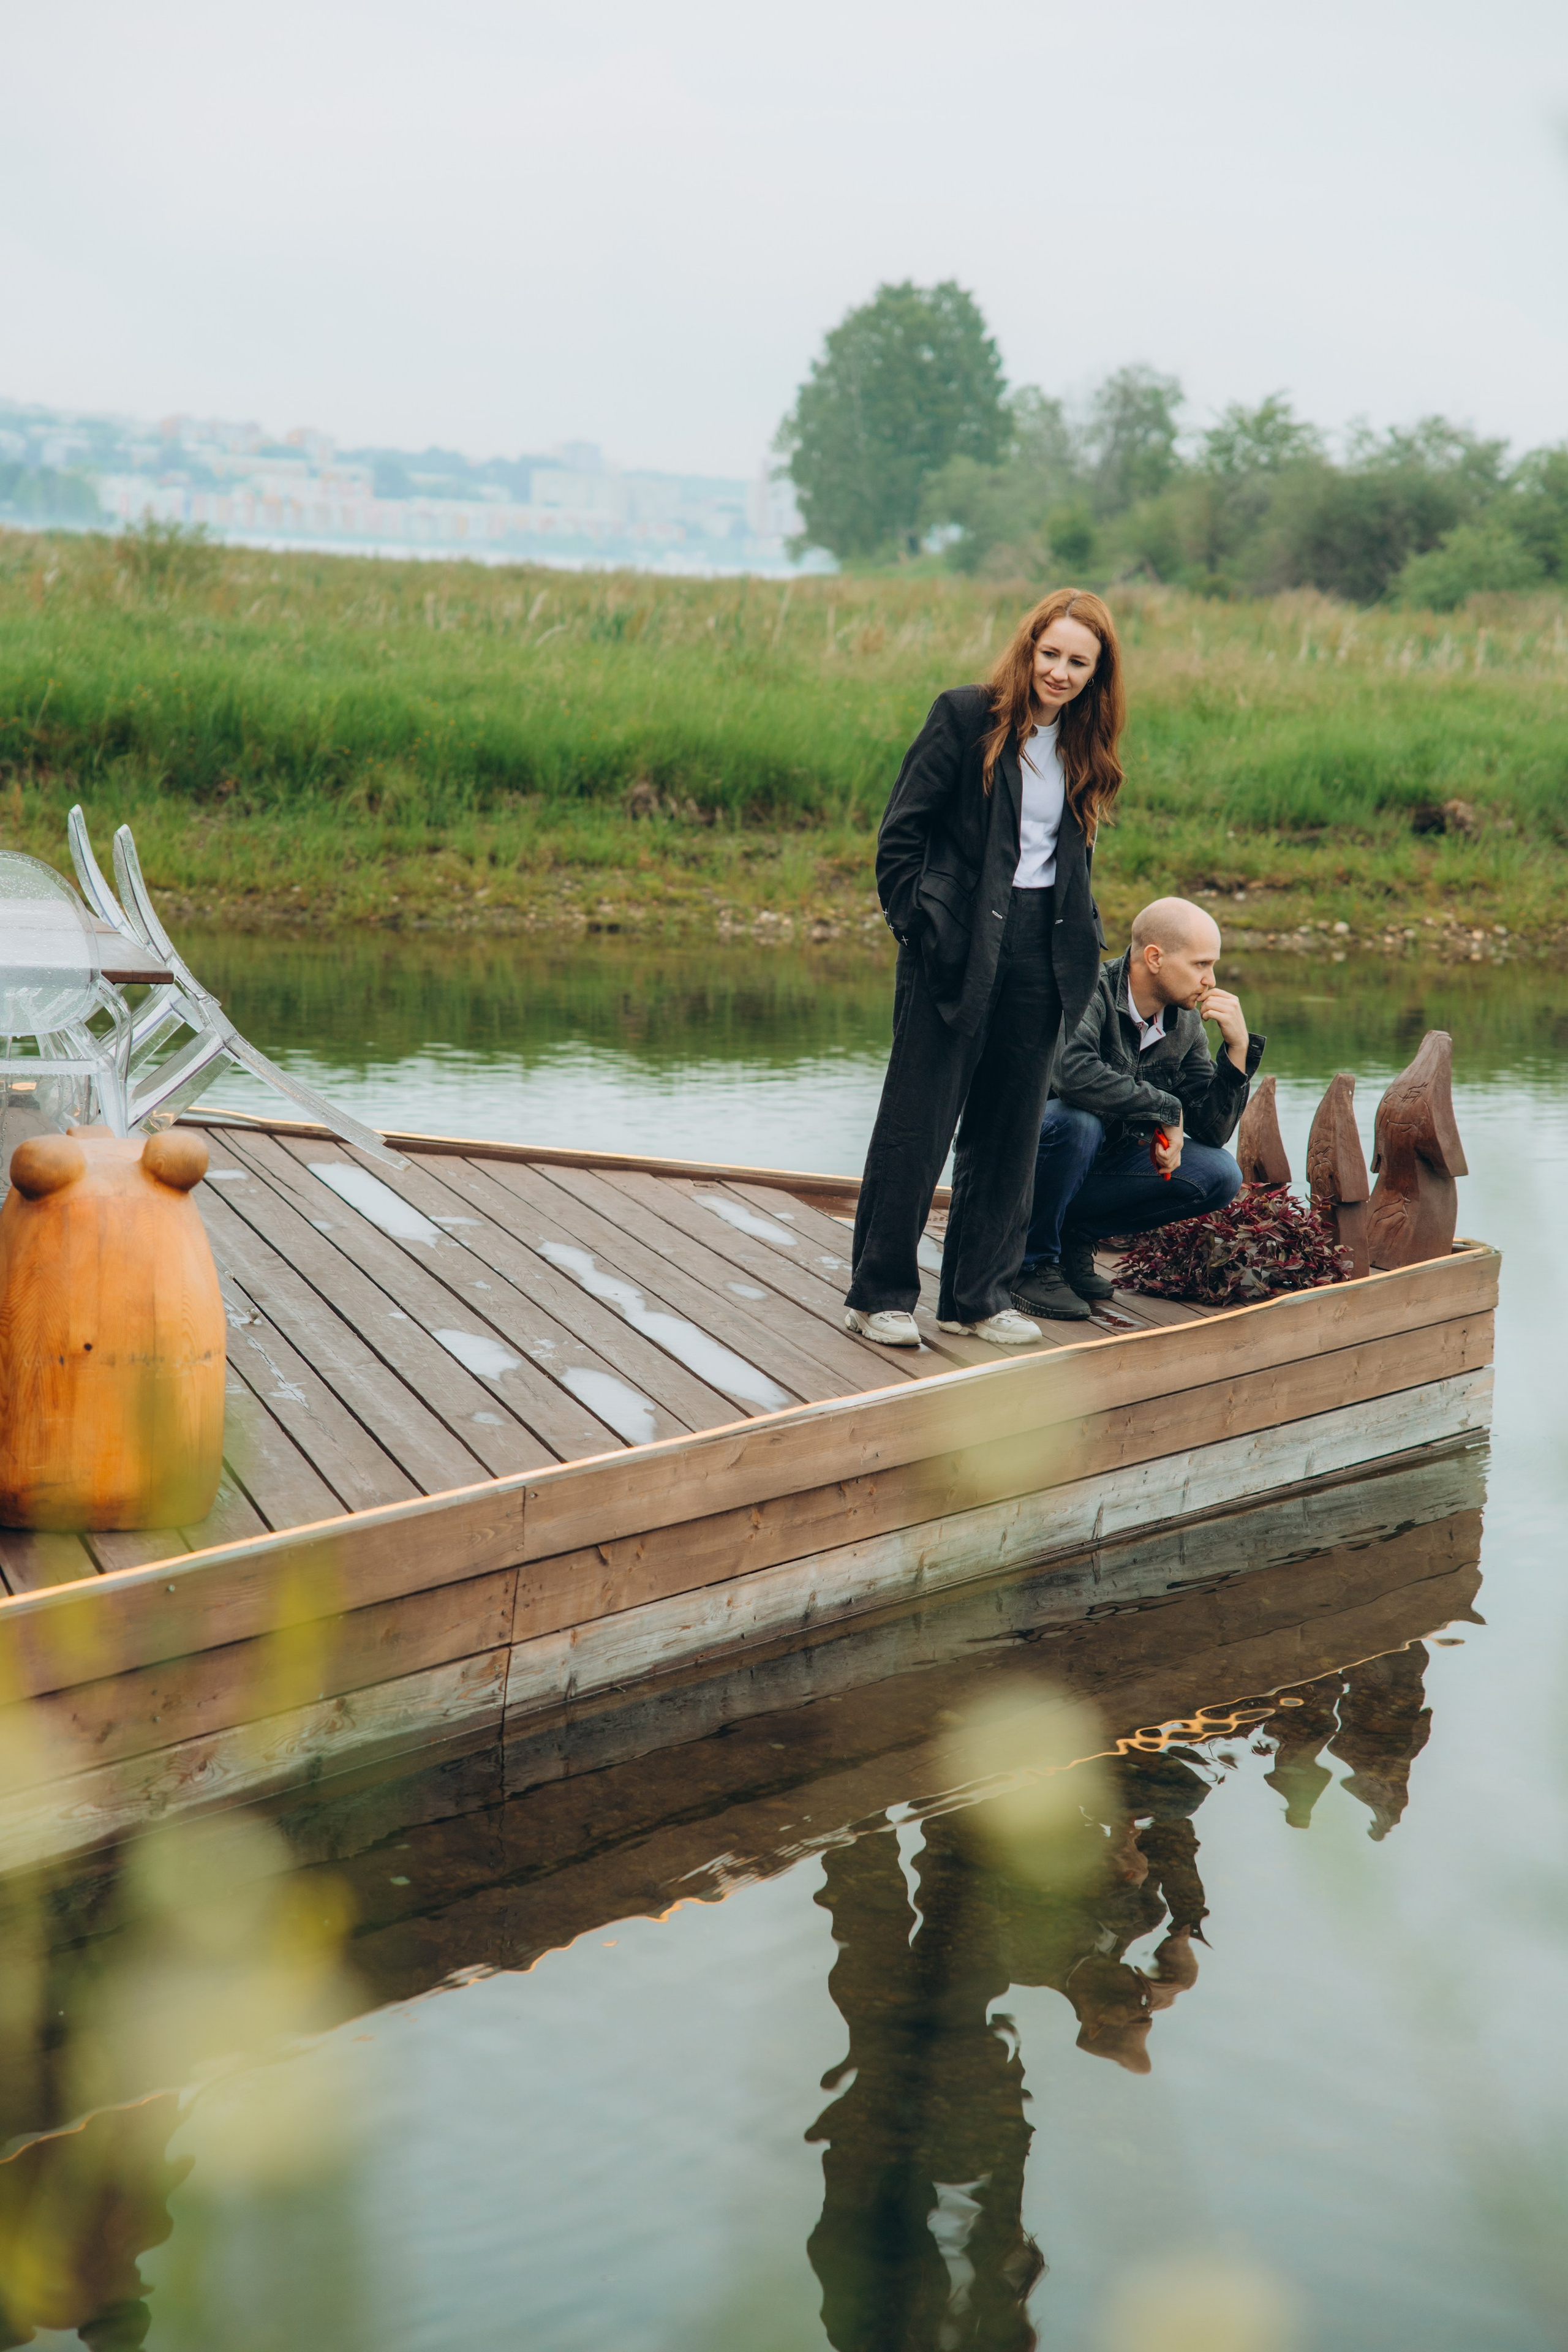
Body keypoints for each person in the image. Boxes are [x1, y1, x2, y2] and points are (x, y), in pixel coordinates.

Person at [843, 590, 1123, 1349]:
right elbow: (900, 834)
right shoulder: (966, 717)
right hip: (957, 942)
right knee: (917, 1120)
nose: (1059, 673)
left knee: (1009, 1129)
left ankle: (976, 1298)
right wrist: (919, 925)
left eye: (1078, 662)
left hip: (1044, 948)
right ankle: (879, 1296)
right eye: (1051, 654)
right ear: (1028, 648)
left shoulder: (1084, 745)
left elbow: (1068, 854)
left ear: (1097, 674)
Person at [1011, 896, 1265, 1321]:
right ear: (1154, 957)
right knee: (1079, 1123)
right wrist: (1165, 1109)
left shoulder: (1184, 1023)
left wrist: (1237, 1053)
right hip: (1023, 1160)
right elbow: (1071, 1073)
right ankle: (1029, 1263)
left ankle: (1075, 1233)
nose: (1211, 980)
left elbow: (1210, 1129)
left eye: (1213, 966)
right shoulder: (1088, 987)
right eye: (1201, 964)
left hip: (1099, 1163)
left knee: (1220, 1175)